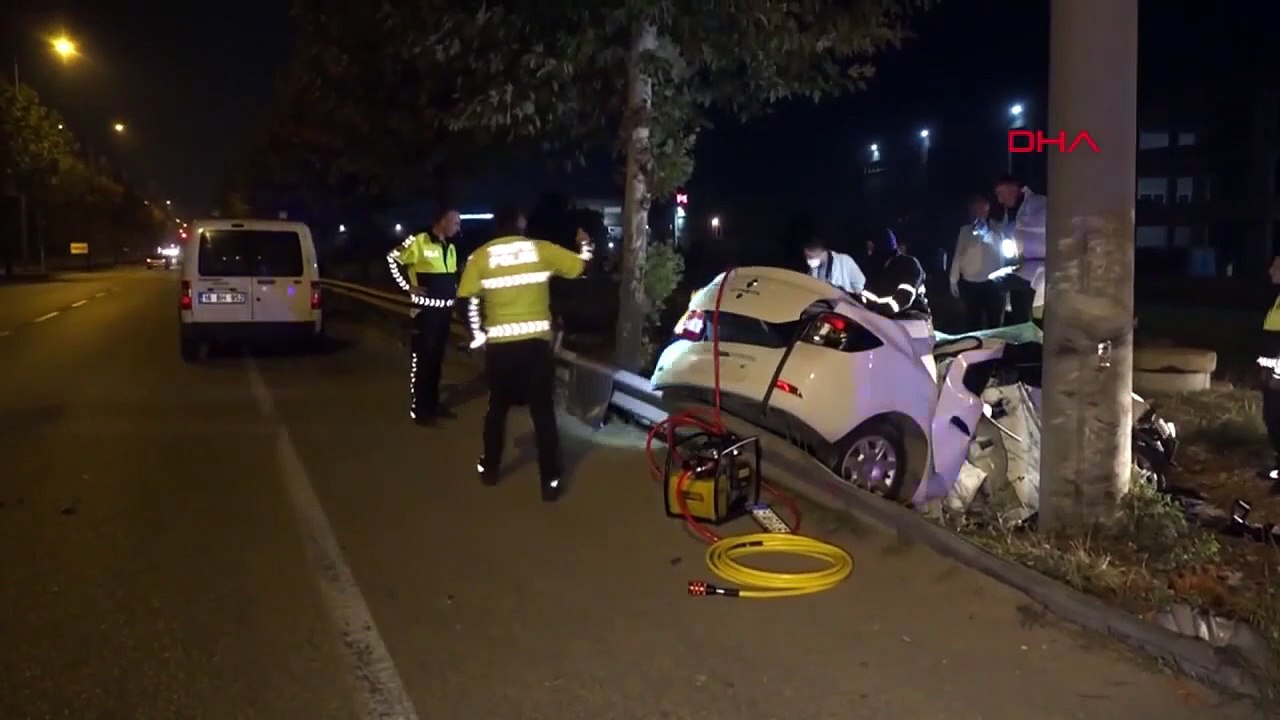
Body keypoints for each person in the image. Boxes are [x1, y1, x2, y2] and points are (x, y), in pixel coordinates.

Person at [458, 207, 593, 502]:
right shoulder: (539, 250)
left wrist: (477, 336)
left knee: (497, 409)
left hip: (499, 349)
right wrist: (585, 244)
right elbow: (581, 267)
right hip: (535, 347)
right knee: (543, 413)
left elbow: (466, 299)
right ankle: (550, 482)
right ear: (521, 226)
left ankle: (490, 468)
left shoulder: (480, 256)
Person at [387, 206, 462, 425]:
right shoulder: (419, 240)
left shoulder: (450, 247)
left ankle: (432, 403)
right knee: (424, 359)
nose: (458, 228)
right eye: (455, 223)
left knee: (437, 359)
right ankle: (420, 409)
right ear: (441, 222)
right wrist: (407, 287)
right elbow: (393, 259)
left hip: (444, 311)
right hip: (426, 311)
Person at [992, 174, 1047, 325]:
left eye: (1001, 194)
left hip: (1039, 267)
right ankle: (1023, 340)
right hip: (1023, 267)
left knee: (997, 283)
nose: (1000, 200)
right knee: (1020, 311)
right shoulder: (1012, 212)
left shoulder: (1039, 203)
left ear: (1013, 188)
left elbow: (1041, 227)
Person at [950, 195, 1008, 330]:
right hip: (970, 285)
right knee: (972, 322)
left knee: (994, 324)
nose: (979, 214)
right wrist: (953, 279)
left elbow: (998, 245)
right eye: (976, 211)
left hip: (993, 284)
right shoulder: (965, 230)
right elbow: (958, 254)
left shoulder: (997, 228)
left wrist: (985, 233)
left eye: (983, 210)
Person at [860, 228, 928, 318]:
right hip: (881, 319)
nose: (869, 252)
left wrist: (881, 311)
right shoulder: (875, 267)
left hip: (910, 318)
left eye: (871, 248)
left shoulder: (909, 265)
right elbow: (866, 295)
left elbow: (904, 298)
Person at [1257, 257, 1280, 483]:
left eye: (1276, 266)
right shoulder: (1276, 298)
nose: (1270, 269)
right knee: (1272, 417)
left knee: (1275, 417)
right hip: (1272, 369)